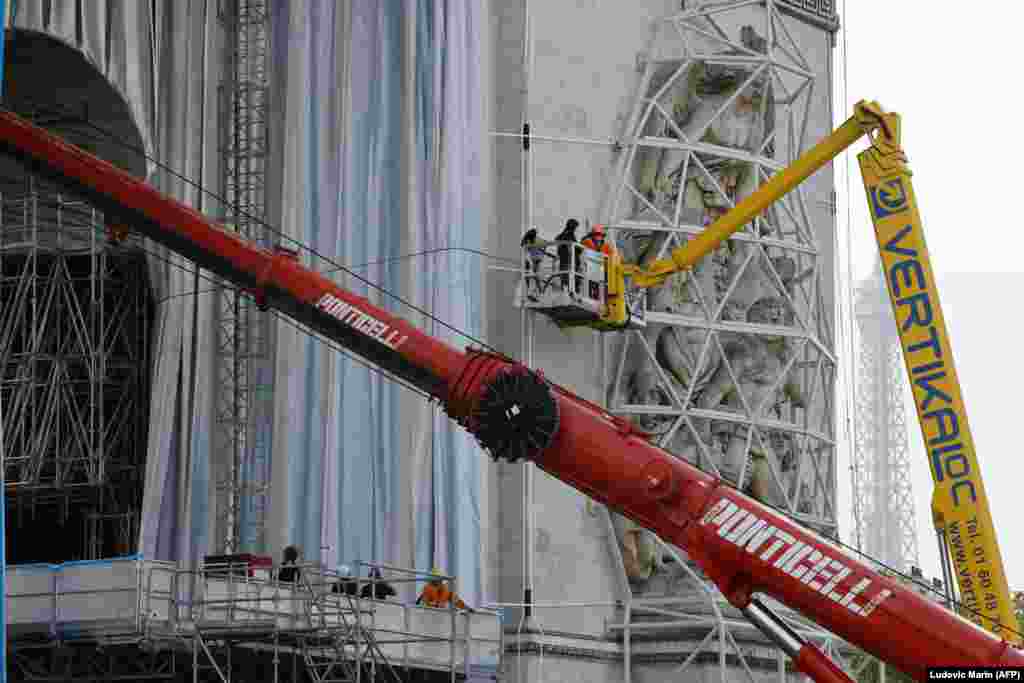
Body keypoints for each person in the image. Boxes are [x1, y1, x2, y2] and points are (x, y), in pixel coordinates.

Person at [520, 228, 552, 299]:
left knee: (535, 275)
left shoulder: (530, 239)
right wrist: (544, 251)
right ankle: (537, 291)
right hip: (535, 259)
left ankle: (536, 291)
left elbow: (523, 245)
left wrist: (544, 251)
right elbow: (545, 243)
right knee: (535, 275)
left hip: (534, 258)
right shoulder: (533, 239)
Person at [553, 218, 582, 292]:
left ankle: (567, 294)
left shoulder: (563, 235)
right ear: (574, 227)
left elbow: (557, 241)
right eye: (577, 228)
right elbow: (575, 249)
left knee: (566, 282)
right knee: (571, 283)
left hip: (565, 262)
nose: (577, 230)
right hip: (570, 262)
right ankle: (571, 295)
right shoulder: (570, 235)